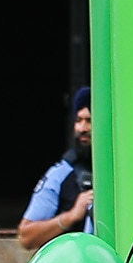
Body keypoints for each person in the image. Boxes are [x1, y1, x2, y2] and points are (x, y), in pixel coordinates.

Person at [13, 89, 94, 251]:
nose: (82, 128)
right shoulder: (61, 173)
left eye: (89, 120)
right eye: (78, 120)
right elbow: (26, 236)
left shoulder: (122, 172)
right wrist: (70, 216)